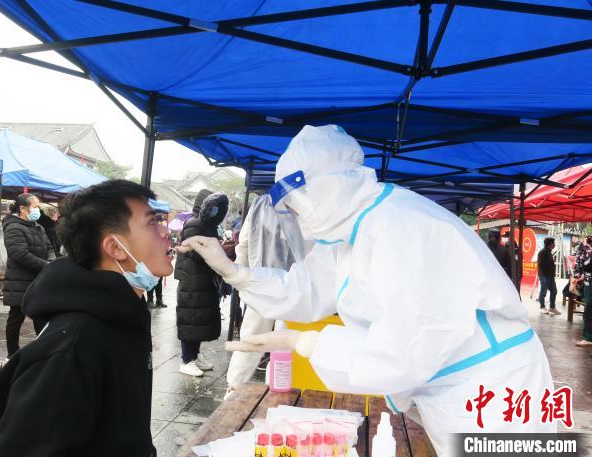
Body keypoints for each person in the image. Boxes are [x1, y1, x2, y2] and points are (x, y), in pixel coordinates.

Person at [180, 125, 554, 456]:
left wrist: (307, 345)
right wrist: (235, 273)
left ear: (327, 185)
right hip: (446, 384)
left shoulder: (401, 227)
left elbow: (401, 353)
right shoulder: (347, 230)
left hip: (492, 389)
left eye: (296, 198)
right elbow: (307, 288)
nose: (295, 211)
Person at [0, 180, 171, 457]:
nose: (166, 233)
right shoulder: (74, 347)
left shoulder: (125, 313)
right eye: (153, 222)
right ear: (116, 248)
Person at [226, 194, 312, 398]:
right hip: (295, 286)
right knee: (285, 343)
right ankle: (275, 389)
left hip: (261, 282)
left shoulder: (259, 204)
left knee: (252, 337)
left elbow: (243, 244)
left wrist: (243, 277)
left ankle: (234, 388)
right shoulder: (307, 202)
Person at [175, 191, 229, 377]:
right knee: (190, 318)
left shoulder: (207, 225)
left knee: (199, 320)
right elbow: (195, 251)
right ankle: (186, 360)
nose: (215, 211)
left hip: (202, 279)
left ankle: (194, 356)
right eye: (212, 207)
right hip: (192, 280)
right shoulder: (194, 223)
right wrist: (219, 252)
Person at [3, 193, 56, 358]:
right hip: (20, 280)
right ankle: (12, 354)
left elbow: (49, 247)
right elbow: (19, 254)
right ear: (23, 209)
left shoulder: (37, 226)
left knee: (40, 316)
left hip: (39, 278)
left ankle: (44, 351)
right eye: (34, 206)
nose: (37, 210)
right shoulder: (13, 227)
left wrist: (51, 261)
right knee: (16, 317)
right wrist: (45, 265)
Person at [573, 237, 592, 348]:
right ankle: (588, 337)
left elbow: (583, 264)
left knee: (589, 311)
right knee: (588, 310)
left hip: (590, 283)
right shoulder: (586, 246)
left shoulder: (586, 247)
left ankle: (588, 338)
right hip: (588, 282)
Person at [537, 237, 560, 315]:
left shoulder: (549, 252)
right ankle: (542, 307)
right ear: (549, 244)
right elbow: (541, 265)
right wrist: (547, 273)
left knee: (554, 291)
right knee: (543, 292)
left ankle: (552, 307)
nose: (554, 244)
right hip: (544, 276)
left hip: (550, 276)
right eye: (553, 243)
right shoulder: (542, 252)